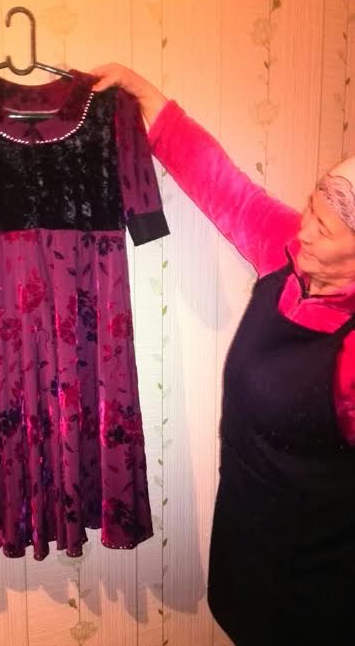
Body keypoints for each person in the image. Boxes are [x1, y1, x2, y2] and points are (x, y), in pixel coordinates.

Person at [90, 64, 355, 646]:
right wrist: (148, 97)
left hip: (321, 598)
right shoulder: (287, 253)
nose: (305, 230)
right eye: (311, 209)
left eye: (326, 228)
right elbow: (226, 187)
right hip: (247, 557)